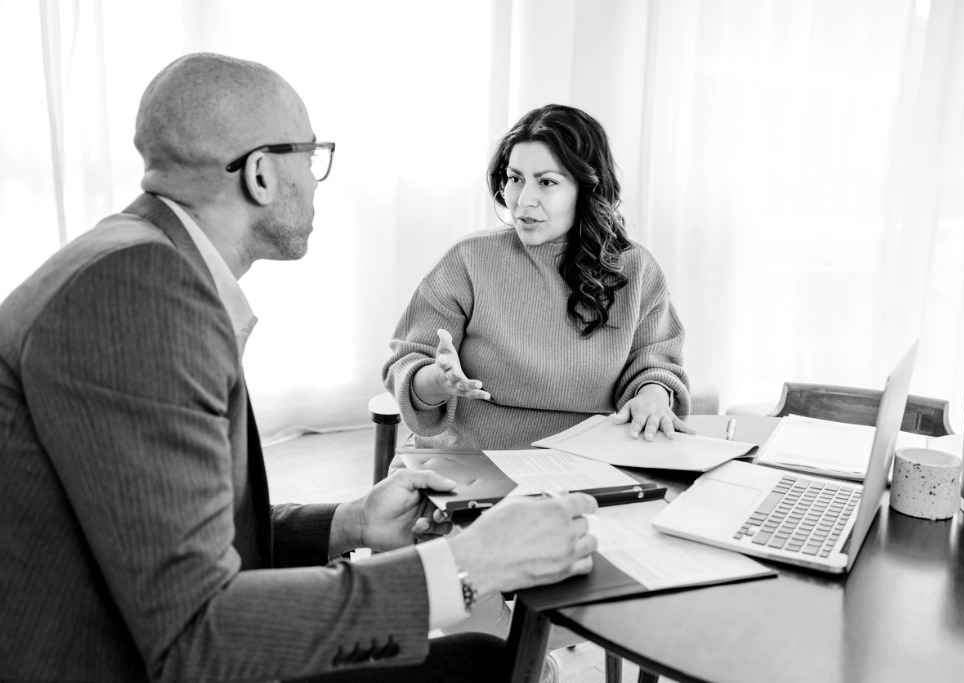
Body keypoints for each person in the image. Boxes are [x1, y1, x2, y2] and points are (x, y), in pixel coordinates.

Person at [0, 53, 598, 683]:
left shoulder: (133, 261)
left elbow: (170, 535)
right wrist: (470, 565)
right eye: (311, 159)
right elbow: (197, 637)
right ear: (261, 173)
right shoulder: (139, 292)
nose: (316, 182)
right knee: (491, 668)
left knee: (488, 662)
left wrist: (349, 523)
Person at [384, 104, 691, 451]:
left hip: (586, 462)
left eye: (546, 182)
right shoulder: (469, 260)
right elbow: (408, 362)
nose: (523, 200)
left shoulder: (636, 270)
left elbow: (656, 361)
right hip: (468, 456)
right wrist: (438, 381)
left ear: (586, 188)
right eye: (515, 179)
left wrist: (652, 394)